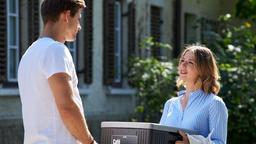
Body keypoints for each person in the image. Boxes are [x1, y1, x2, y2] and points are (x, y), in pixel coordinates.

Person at [18, 0, 97, 143]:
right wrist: (90, 142)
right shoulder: (56, 50)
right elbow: (67, 107)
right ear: (66, 15)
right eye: (78, 18)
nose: (79, 26)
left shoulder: (28, 55)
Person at [160, 45, 228, 144]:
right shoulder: (170, 104)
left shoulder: (215, 103)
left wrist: (191, 142)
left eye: (190, 62)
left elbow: (219, 142)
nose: (183, 65)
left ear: (204, 69)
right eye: (182, 61)